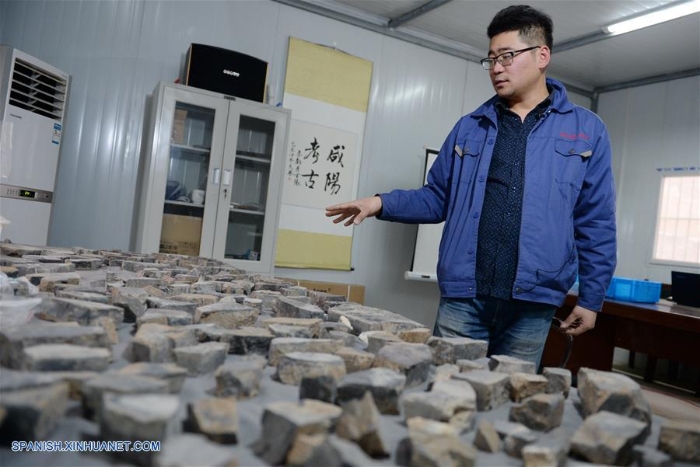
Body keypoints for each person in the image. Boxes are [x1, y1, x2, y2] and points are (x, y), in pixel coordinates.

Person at [325, 4, 617, 369]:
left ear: (542, 55)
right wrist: (380, 203)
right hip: (465, 298)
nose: (496, 68)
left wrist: (591, 299)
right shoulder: (470, 126)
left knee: (511, 398)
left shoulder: (586, 130)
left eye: (507, 56)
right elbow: (437, 198)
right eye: (491, 59)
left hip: (533, 302)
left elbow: (596, 221)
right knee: (448, 391)